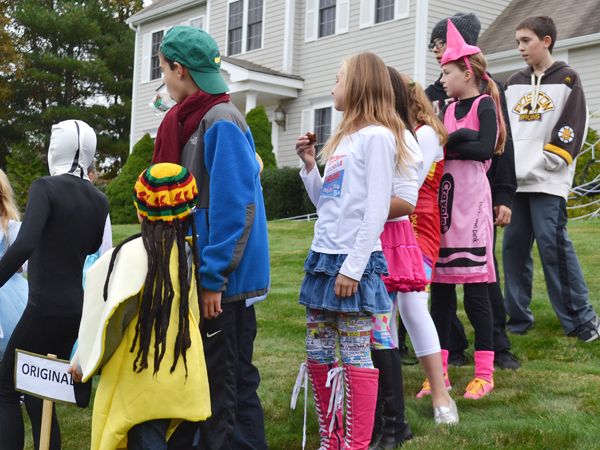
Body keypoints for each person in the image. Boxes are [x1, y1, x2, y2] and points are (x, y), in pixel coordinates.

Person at [149, 26, 270, 450]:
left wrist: (214, 277)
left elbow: (233, 209)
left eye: (163, 70)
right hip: (208, 275)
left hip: (225, 284)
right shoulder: (190, 119)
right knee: (216, 376)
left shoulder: (220, 120)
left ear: (179, 69)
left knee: (230, 382)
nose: (163, 78)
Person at [291, 52, 414, 450]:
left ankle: (355, 444)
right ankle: (331, 440)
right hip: (323, 259)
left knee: (356, 352)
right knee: (318, 351)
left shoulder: (378, 137)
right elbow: (327, 202)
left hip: (352, 263)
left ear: (359, 85)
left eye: (338, 80)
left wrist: (353, 268)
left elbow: (377, 209)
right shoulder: (344, 139)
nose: (332, 89)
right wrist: (310, 167)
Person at [69, 163, 210, 450]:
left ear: (141, 209)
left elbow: (113, 319)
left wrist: (84, 362)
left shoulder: (132, 254)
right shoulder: (187, 253)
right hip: (179, 373)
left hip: (141, 377)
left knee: (145, 439)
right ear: (188, 210)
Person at [0, 119, 109, 450]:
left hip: (43, 306)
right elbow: (93, 246)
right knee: (39, 394)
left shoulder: (45, 187)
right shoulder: (100, 200)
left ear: (56, 149)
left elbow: (24, 245)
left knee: (6, 389)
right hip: (75, 311)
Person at [426, 12, 520, 371]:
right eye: (434, 45)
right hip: (445, 200)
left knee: (481, 277)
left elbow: (496, 146)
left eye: (441, 43)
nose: (437, 51)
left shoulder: (487, 96)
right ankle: (450, 350)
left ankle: (496, 346)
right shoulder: (437, 97)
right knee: (443, 281)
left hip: (477, 200)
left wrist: (504, 194)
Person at [502, 15, 600, 342]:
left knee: (553, 246)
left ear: (546, 41)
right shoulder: (513, 82)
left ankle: (581, 320)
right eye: (517, 42)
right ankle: (518, 320)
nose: (520, 48)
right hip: (516, 182)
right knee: (513, 249)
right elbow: (506, 128)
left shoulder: (568, 78)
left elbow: (572, 125)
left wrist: (550, 160)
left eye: (526, 40)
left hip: (548, 178)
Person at [391, 70, 459, 424]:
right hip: (392, 224)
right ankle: (386, 391)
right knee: (385, 306)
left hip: (419, 225)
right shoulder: (396, 132)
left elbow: (410, 183)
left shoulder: (426, 132)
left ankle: (440, 393)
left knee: (412, 303)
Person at [368, 67, 422, 450]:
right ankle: (373, 420)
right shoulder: (367, 135)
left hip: (386, 238)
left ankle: (393, 423)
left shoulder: (400, 137)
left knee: (379, 329)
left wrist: (361, 208)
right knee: (369, 331)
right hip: (366, 235)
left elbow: (406, 199)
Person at [0, 170, 28, 363]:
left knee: (10, 348)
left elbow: (24, 263)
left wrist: (7, 260)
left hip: (7, 293)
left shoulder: (11, 227)